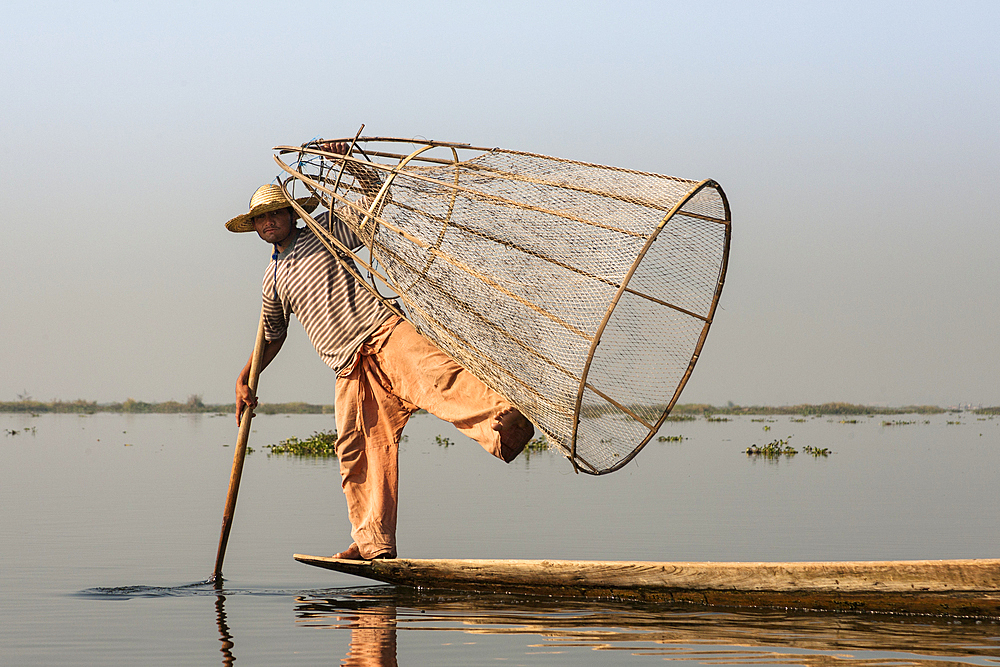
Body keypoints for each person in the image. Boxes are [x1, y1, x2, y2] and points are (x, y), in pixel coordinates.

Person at [226, 142, 534, 560]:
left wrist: (348, 163)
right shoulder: (272, 277)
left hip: (384, 333)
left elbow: (375, 203)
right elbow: (273, 334)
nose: (269, 222)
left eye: (276, 212)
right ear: (256, 228)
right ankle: (373, 543)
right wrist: (246, 377)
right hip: (347, 367)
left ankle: (504, 422)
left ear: (292, 214)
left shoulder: (323, 230)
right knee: (355, 451)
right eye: (262, 218)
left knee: (440, 380)